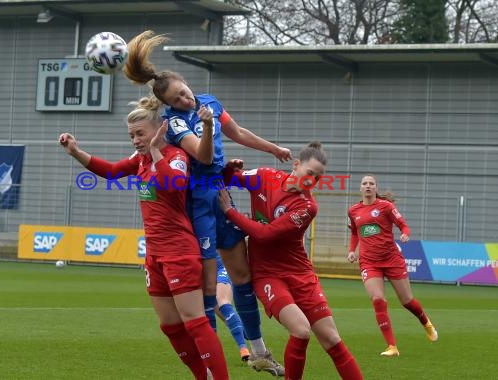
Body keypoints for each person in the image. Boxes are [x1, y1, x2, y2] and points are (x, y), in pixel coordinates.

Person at [123, 30, 291, 376]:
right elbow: (201, 152)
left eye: (184, 93)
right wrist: (208, 128)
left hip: (220, 194)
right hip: (197, 204)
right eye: (177, 99)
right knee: (209, 288)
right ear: (168, 105)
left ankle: (259, 351)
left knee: (242, 275)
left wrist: (272, 148)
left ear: (188, 84)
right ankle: (211, 367)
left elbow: (239, 133)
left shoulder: (209, 102)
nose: (185, 100)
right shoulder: (175, 123)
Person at [58, 96, 229, 379]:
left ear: (160, 129)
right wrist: (75, 151)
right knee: (170, 326)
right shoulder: (141, 159)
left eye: (140, 134)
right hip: (155, 254)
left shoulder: (176, 156)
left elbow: (172, 188)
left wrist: (156, 151)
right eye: (132, 135)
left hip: (180, 252)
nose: (136, 140)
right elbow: (112, 172)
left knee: (195, 322)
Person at [218, 142, 363, 380]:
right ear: (296, 165)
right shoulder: (264, 176)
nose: (312, 180)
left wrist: (230, 213)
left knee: (332, 340)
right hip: (268, 275)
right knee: (301, 330)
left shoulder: (307, 207)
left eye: (318, 177)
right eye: (310, 173)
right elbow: (230, 180)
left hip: (300, 275)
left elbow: (264, 235)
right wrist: (228, 168)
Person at [347, 174, 438, 357]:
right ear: (360, 188)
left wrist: (405, 234)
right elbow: (356, 233)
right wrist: (352, 251)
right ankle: (392, 347)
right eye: (365, 183)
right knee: (378, 300)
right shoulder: (353, 211)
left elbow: (403, 225)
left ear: (376, 188)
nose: (368, 186)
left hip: (391, 259)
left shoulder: (386, 206)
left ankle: (426, 323)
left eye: (371, 183)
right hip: (369, 262)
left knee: (407, 301)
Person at [215, 254, 250, 362]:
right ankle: (256, 342)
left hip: (222, 266)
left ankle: (243, 348)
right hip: (205, 272)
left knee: (223, 302)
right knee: (225, 316)